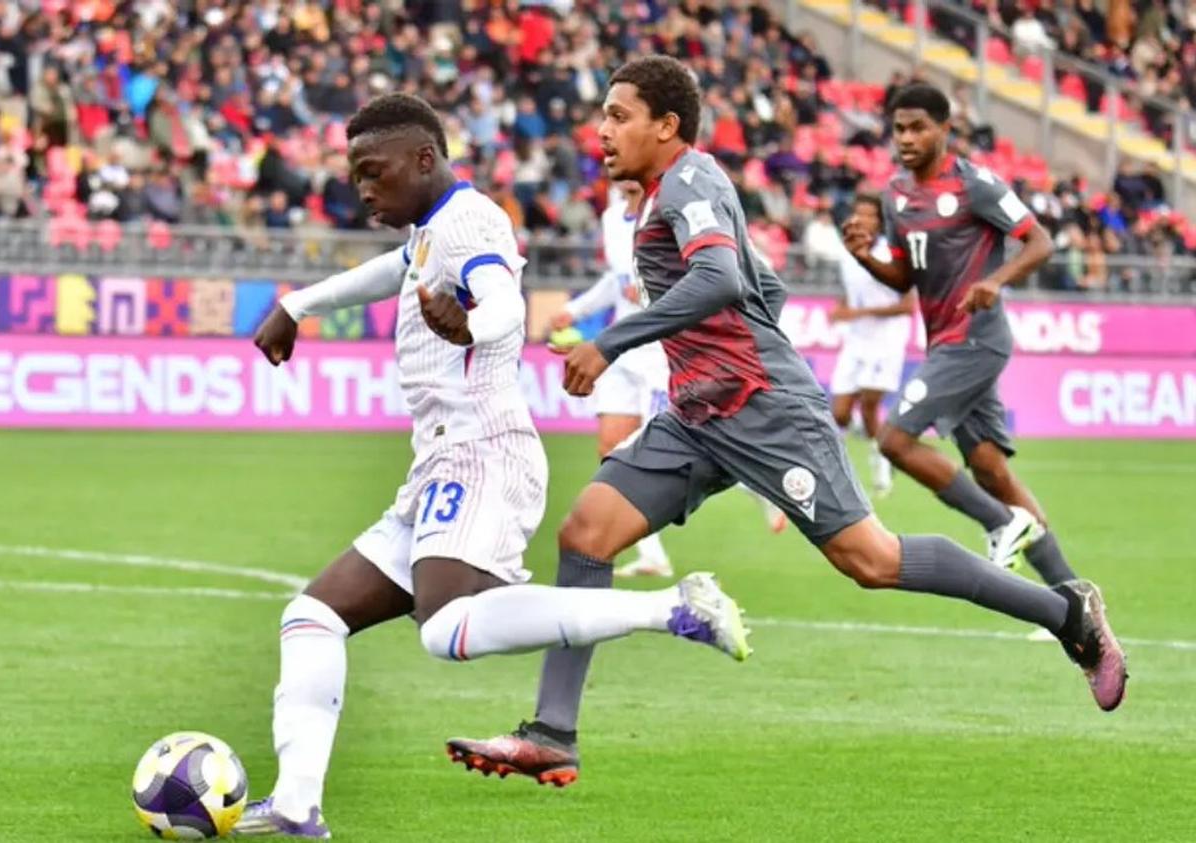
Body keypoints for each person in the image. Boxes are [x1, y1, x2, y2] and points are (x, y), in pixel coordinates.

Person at [445, 58, 1127, 789]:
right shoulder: (664, 196)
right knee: (586, 534)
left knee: (872, 560)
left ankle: (1066, 612)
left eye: (618, 115)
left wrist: (612, 342)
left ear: (666, 126)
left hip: (764, 407)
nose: (601, 129)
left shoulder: (689, 180)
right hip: (699, 412)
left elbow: (724, 279)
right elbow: (757, 280)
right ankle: (553, 732)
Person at [235, 93, 751, 838]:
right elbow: (397, 269)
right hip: (440, 460)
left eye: (373, 172)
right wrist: (301, 302)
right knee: (312, 616)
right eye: (355, 176)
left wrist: (471, 320)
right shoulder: (431, 231)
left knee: (443, 626)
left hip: (482, 451)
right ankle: (294, 807)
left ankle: (672, 607)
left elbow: (506, 300)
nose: (363, 189)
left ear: (423, 159)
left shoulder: (472, 220)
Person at [844, 83, 1090, 581]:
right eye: (899, 129)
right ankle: (1073, 598)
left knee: (893, 440)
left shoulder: (974, 185)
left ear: (944, 130)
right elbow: (904, 278)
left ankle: (1001, 524)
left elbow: (1039, 242)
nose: (907, 138)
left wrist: (996, 282)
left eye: (918, 128)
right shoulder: (895, 197)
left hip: (976, 339)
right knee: (991, 471)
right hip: (944, 342)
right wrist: (865, 256)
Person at [549, 179, 675, 577]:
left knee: (662, 447)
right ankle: (652, 554)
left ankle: (755, 484)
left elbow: (702, 276)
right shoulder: (610, 218)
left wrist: (656, 293)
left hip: (662, 348)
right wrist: (576, 309)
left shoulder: (670, 210)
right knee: (611, 447)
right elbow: (616, 280)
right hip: (622, 346)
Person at [827, 192, 916, 498]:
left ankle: (881, 459)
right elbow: (852, 293)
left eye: (870, 215)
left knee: (868, 406)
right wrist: (841, 309)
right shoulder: (848, 251)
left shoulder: (892, 253)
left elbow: (907, 306)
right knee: (839, 413)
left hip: (886, 339)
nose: (862, 220)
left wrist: (857, 313)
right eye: (858, 213)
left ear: (881, 221)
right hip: (856, 339)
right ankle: (877, 444)